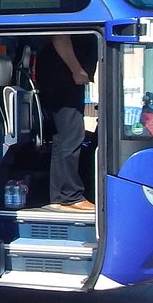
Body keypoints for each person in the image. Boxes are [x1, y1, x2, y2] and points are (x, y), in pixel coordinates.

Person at [36, 33, 97, 212]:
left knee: (62, 138)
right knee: (72, 136)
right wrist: (77, 70)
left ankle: (58, 197)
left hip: (58, 77)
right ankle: (71, 196)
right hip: (64, 77)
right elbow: (60, 37)